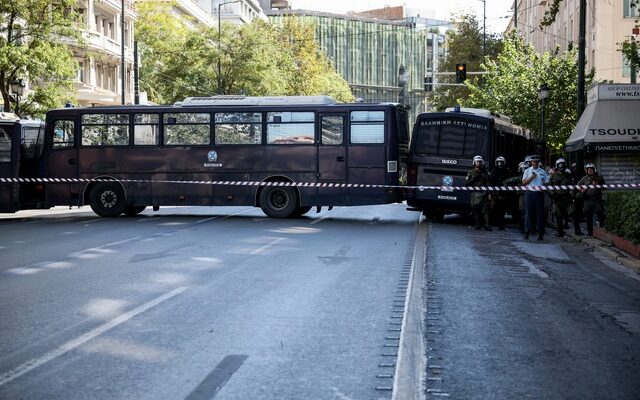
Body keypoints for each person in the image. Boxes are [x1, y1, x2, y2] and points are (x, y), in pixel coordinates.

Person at [548, 158, 582, 237]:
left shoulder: (568, 175)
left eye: (563, 165)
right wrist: (553, 194)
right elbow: (548, 187)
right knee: (558, 216)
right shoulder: (553, 176)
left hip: (567, 198)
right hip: (557, 198)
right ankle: (560, 232)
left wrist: (572, 195)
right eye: (560, 165)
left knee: (573, 213)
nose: (561, 166)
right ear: (557, 166)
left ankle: (577, 230)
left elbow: (573, 186)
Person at [522, 156, 549, 240]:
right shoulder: (527, 171)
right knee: (528, 214)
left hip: (539, 194)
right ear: (531, 162)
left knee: (540, 214)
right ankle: (527, 232)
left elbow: (547, 183)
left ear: (538, 163)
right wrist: (531, 177)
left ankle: (540, 234)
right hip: (529, 193)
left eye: (536, 162)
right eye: (533, 162)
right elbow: (523, 183)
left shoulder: (543, 172)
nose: (535, 163)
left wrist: (543, 188)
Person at [576, 163, 606, 236]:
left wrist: (598, 183)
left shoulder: (599, 177)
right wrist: (581, 190)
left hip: (597, 199)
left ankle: (602, 231)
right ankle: (590, 232)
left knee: (600, 214)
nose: (589, 170)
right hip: (587, 200)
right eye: (588, 169)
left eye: (591, 169)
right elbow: (577, 186)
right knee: (588, 216)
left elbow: (604, 186)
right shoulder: (584, 178)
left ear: (594, 169)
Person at [465, 155, 492, 231]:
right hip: (474, 193)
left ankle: (487, 225)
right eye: (477, 162)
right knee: (475, 209)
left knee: (485, 210)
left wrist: (489, 193)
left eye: (479, 162)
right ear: (474, 162)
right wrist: (474, 178)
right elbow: (467, 183)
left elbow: (488, 182)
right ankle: (478, 224)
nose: (478, 163)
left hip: (484, 193)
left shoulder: (485, 171)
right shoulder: (471, 172)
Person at [489, 156, 512, 230]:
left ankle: (501, 225)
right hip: (495, 193)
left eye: (501, 162)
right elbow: (490, 182)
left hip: (504, 194)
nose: (500, 164)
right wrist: (490, 193)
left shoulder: (508, 171)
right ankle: (491, 223)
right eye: (498, 162)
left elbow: (511, 181)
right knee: (493, 209)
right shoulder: (493, 171)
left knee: (503, 210)